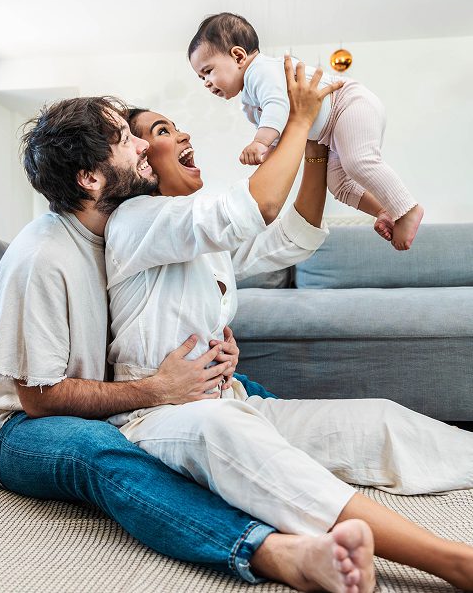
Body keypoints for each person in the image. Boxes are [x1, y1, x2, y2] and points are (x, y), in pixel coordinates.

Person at [0, 92, 376, 593]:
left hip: (108, 394)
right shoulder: (42, 256)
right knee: (97, 451)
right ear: (90, 178)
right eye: (127, 139)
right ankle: (270, 551)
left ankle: (304, 479)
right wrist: (158, 390)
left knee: (238, 396)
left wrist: (212, 359)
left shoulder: (125, 230)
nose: (144, 145)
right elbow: (39, 399)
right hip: (12, 426)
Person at [106, 56, 473, 591]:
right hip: (156, 420)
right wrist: (298, 120)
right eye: (161, 130)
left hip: (230, 400)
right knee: (232, 439)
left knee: (377, 420)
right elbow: (256, 205)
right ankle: (453, 560)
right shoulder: (137, 220)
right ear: (139, 161)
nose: (182, 132)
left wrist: (320, 145)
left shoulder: (196, 234)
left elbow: (287, 235)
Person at [187, 12, 424, 251]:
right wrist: (269, 151)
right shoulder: (248, 103)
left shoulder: (260, 71)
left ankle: (407, 209)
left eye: (208, 71)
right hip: (330, 133)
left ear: (238, 56)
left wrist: (259, 142)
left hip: (347, 104)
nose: (206, 82)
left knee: (358, 162)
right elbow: (281, 131)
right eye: (200, 77)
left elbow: (277, 106)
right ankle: (384, 211)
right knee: (339, 185)